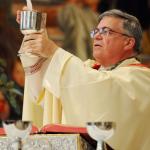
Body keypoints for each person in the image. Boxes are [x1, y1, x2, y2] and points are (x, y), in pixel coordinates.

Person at [17, 9, 150, 150]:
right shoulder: (90, 68)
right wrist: (34, 36)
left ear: (128, 42)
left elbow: (101, 89)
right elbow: (50, 88)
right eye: (96, 32)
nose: (97, 36)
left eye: (106, 31)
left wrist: (52, 50)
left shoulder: (141, 78)